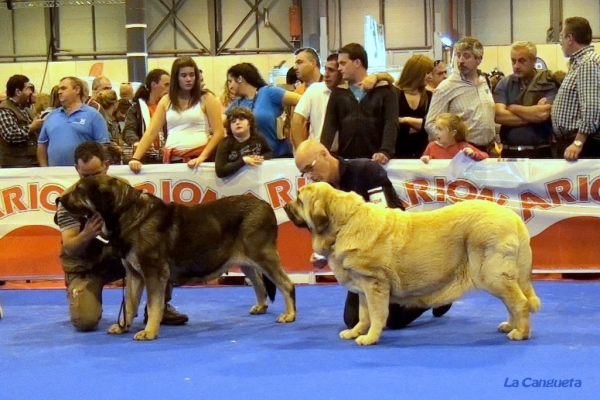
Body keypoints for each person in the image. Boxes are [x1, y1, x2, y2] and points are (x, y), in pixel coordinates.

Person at [294, 139, 451, 329]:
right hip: (360, 266)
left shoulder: (367, 171)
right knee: (352, 321)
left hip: (393, 257)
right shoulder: (318, 194)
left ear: (324, 155)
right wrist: (323, 252)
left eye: (310, 168)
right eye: (304, 172)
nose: (309, 176)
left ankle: (438, 295)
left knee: (392, 319)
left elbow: (391, 217)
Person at [56, 141, 188, 331]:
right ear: (76, 169)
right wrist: (86, 235)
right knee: (85, 322)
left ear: (106, 166)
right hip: (86, 266)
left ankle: (160, 307)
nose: (91, 181)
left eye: (96, 174)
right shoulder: (69, 200)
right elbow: (69, 247)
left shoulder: (120, 189)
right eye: (85, 176)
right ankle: (79, 292)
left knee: (156, 254)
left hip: (116, 257)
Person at [129, 57, 224, 172]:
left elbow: (218, 132)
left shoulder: (207, 98)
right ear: (176, 78)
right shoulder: (166, 100)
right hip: (172, 160)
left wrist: (202, 157)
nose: (189, 79)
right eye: (184, 76)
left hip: (201, 160)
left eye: (192, 75)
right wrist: (135, 158)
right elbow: (151, 132)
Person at [320, 43, 399, 164]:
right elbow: (329, 127)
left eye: (343, 63)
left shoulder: (386, 90)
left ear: (357, 63)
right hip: (346, 162)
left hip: (378, 162)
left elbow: (391, 123)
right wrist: (322, 153)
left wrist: (385, 151)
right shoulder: (338, 93)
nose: (339, 68)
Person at [425, 37, 495, 153]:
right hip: (462, 151)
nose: (461, 61)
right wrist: (451, 143)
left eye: (466, 56)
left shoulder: (485, 82)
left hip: (488, 149)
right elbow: (430, 123)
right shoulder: (446, 87)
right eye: (458, 55)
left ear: (479, 59)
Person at [493, 41, 558, 159]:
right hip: (510, 153)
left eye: (522, 61)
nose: (516, 66)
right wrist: (533, 113)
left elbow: (543, 114)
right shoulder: (504, 84)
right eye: (513, 61)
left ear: (534, 61)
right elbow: (499, 116)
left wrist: (512, 108)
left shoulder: (547, 82)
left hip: (541, 153)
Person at [226, 62, 301, 158]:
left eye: (230, 81)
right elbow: (219, 122)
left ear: (240, 79)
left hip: (279, 156)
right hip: (253, 160)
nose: (230, 86)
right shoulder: (236, 104)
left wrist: (296, 122)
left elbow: (303, 101)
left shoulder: (268, 92)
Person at [551, 17, 600, 160]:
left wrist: (578, 142)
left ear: (570, 38)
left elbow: (591, 107)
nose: (561, 43)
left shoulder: (587, 63)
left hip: (581, 145)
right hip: (572, 142)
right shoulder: (578, 63)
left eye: (562, 37)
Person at [37, 76, 110, 167]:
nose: (59, 92)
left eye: (64, 88)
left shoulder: (93, 115)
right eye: (59, 89)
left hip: (84, 174)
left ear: (77, 90)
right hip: (55, 176)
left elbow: (103, 145)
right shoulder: (51, 116)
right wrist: (44, 168)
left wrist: (91, 167)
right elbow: (42, 145)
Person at [291, 53, 343, 149]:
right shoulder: (314, 89)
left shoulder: (347, 93)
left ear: (341, 72)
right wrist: (300, 150)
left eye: (331, 70)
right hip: (317, 151)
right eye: (325, 69)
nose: (326, 75)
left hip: (342, 152)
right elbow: (297, 120)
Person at [121, 69, 170, 164]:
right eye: (166, 85)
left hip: (168, 157)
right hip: (145, 159)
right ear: (153, 85)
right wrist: (135, 142)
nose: (169, 88)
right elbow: (128, 130)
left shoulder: (172, 109)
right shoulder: (136, 109)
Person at [215, 106, 272, 178]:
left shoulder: (258, 137)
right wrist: (244, 160)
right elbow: (220, 171)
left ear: (250, 123)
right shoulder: (225, 144)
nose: (237, 123)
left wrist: (258, 158)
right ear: (229, 127)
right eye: (233, 121)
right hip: (232, 183)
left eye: (241, 119)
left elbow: (269, 153)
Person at [395, 54, 434, 159]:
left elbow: (431, 126)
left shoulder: (430, 96)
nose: (430, 77)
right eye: (427, 73)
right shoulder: (394, 94)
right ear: (416, 72)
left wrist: (405, 120)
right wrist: (419, 124)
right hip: (397, 154)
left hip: (422, 155)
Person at [0, 74, 43, 168]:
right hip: (16, 166)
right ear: (18, 92)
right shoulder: (5, 109)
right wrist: (31, 127)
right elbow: (10, 134)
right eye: (28, 89)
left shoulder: (26, 109)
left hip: (31, 162)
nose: (31, 92)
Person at [421, 113, 488, 163]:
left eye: (440, 129)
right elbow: (421, 164)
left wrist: (473, 154)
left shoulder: (463, 146)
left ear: (453, 133)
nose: (436, 132)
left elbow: (485, 156)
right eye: (436, 128)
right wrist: (425, 159)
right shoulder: (431, 146)